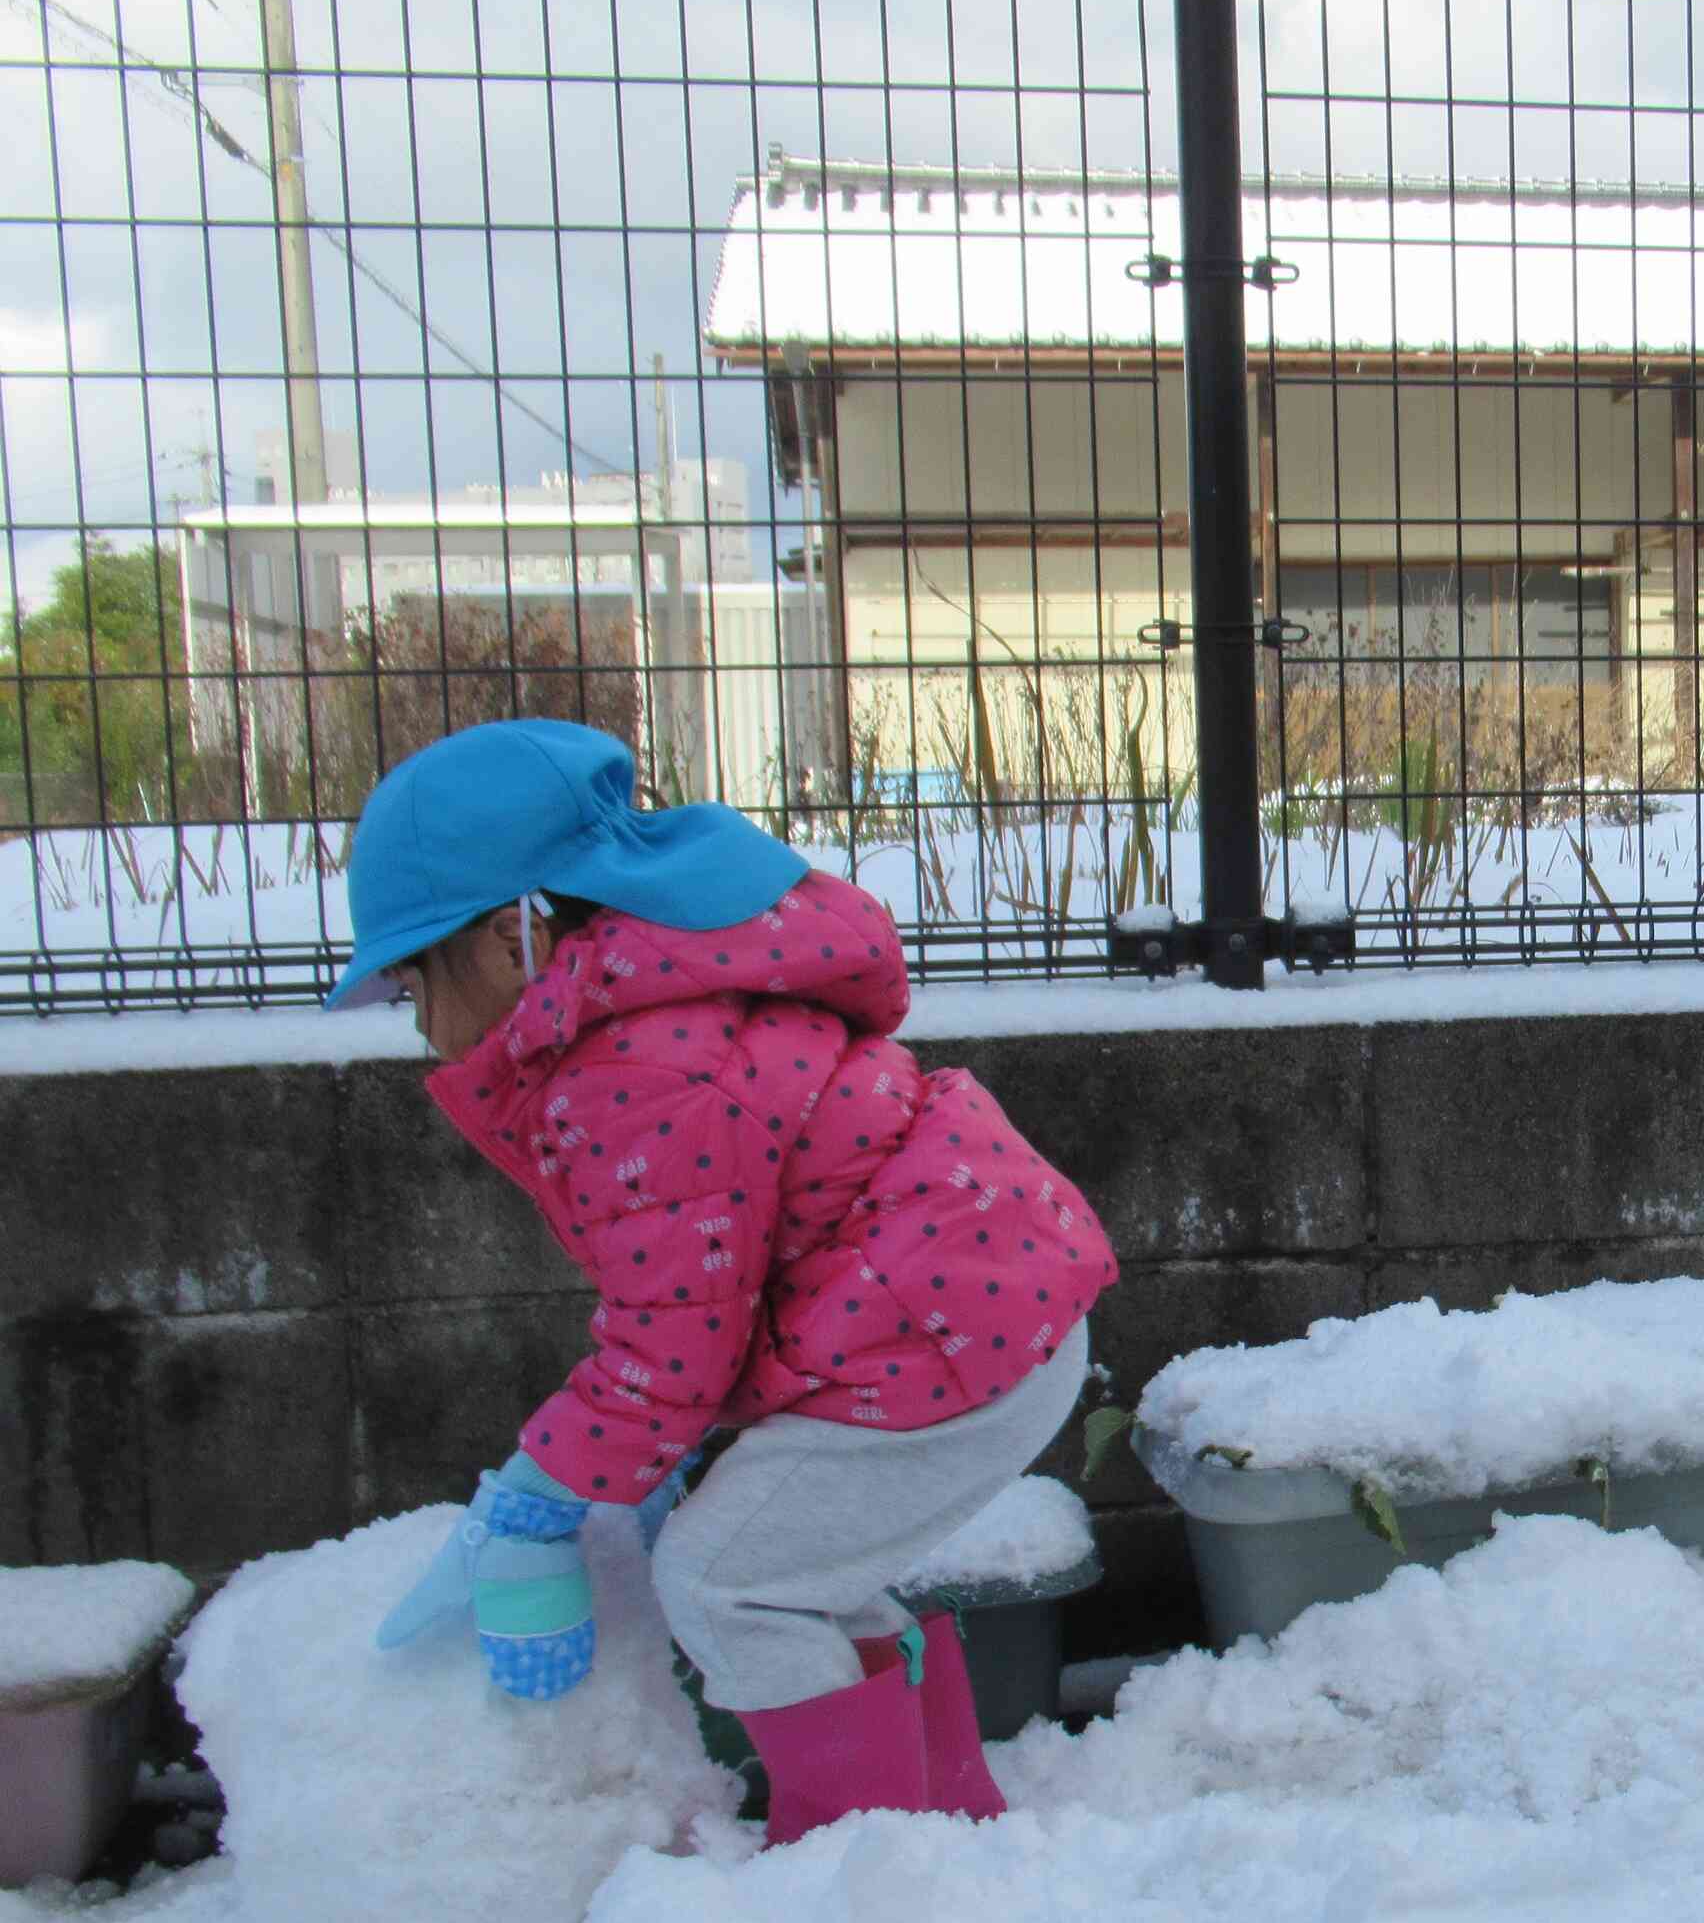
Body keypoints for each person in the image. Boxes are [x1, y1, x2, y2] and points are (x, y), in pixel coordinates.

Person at [336, 719, 1118, 1845]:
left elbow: (670, 1342)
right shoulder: (664, 1011)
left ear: (514, 943)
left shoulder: (630, 1070)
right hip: (977, 1309)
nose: (414, 1019)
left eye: (413, 976)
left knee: (724, 1580)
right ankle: (943, 1831)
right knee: (797, 1569)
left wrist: (541, 1490)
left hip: (941, 1334)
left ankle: (858, 1875)